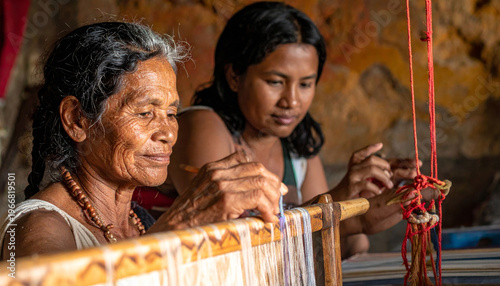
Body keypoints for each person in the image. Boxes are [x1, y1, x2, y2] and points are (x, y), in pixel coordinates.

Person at [0, 21, 287, 259]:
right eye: (145, 112)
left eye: (171, 113)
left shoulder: (137, 220)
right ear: (78, 120)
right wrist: (183, 223)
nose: (168, 133)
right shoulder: (42, 227)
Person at [159, 1, 418, 259]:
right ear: (235, 76)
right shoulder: (202, 126)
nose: (292, 101)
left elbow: (347, 248)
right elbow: (237, 249)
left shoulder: (296, 149)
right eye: (275, 82)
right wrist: (340, 200)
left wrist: (363, 202)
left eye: (305, 84)